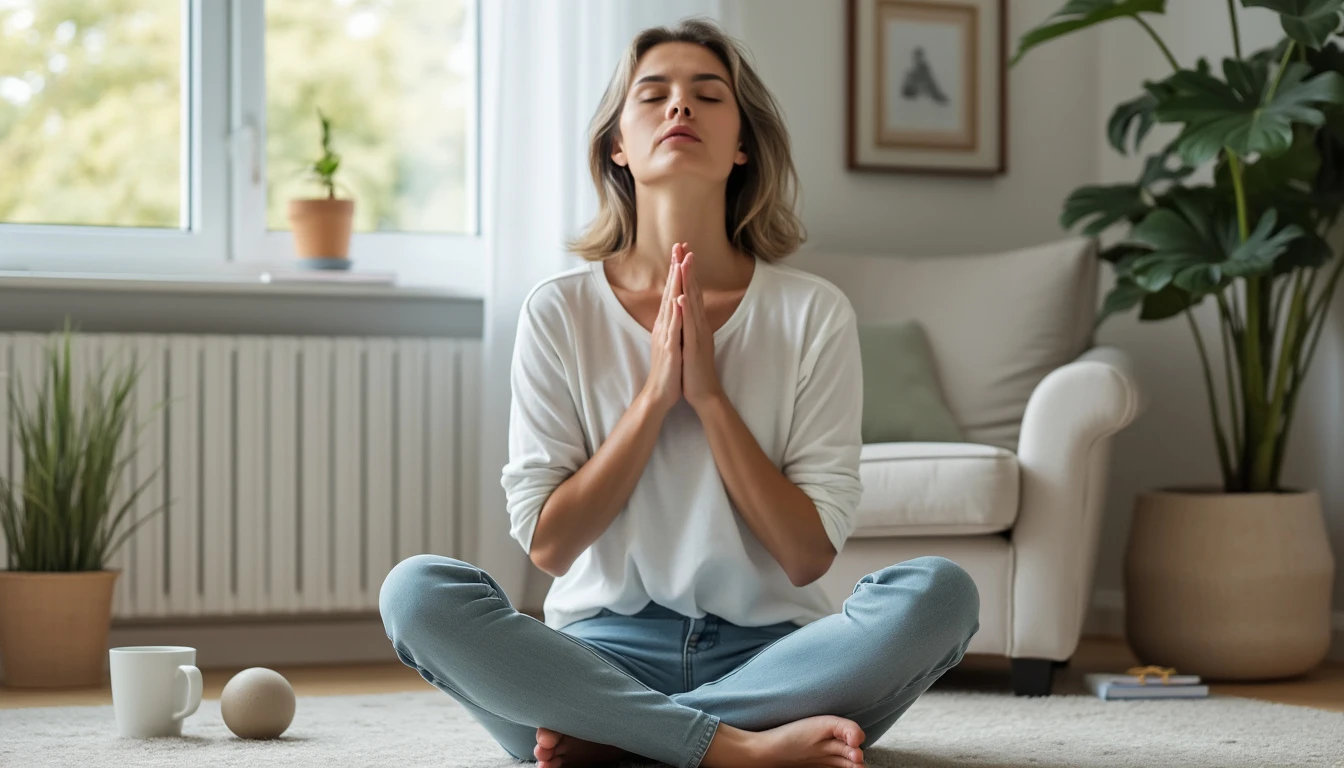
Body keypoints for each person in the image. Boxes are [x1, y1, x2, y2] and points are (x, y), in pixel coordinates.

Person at [379, 18, 979, 768]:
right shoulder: (558, 310)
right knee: (416, 593)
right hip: (600, 656)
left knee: (941, 596)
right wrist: (655, 396)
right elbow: (550, 542)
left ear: (741, 146)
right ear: (618, 147)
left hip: (775, 661)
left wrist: (712, 400)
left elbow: (804, 556)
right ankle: (738, 750)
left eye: (707, 95)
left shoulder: (812, 311)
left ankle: (626, 740)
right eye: (653, 94)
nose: (680, 109)